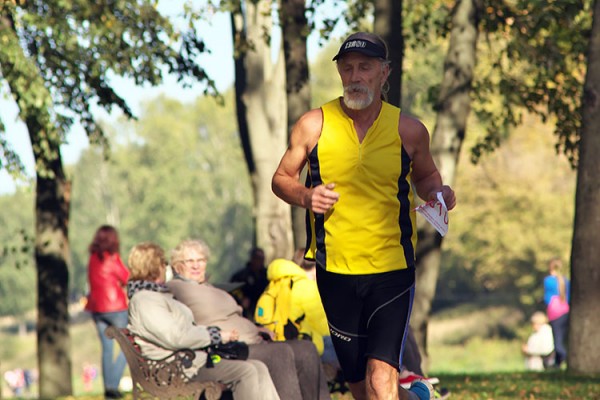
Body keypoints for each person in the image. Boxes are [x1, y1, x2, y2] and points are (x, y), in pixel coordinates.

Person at [271, 31, 456, 400]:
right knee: (359, 386)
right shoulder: (314, 124)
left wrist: (439, 193)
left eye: (365, 68)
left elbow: (427, 177)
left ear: (384, 73)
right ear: (340, 73)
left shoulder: (409, 129)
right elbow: (280, 180)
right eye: (348, 68)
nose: (355, 76)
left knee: (379, 381)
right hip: (335, 269)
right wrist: (307, 196)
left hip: (392, 270)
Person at [166, 239, 331, 400]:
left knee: (306, 349)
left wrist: (256, 328)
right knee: (279, 353)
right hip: (223, 350)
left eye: (200, 260)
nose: (196, 265)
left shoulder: (206, 287)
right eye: (189, 261)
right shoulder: (177, 288)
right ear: (177, 265)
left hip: (251, 340)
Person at [126, 241, 279, 400]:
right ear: (155, 266)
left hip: (188, 362)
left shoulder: (155, 296)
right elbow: (177, 336)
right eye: (163, 263)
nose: (166, 268)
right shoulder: (145, 300)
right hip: (175, 369)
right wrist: (216, 335)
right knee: (246, 371)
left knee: (258, 367)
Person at [85, 225, 129, 399]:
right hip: (115, 308)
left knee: (107, 350)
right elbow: (126, 277)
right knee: (128, 346)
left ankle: (108, 389)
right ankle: (113, 385)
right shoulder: (112, 258)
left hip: (97, 309)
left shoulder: (93, 259)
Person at [543, 257, 570, 367]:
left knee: (557, 341)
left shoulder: (548, 281)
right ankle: (557, 365)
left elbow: (547, 298)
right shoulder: (565, 280)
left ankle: (565, 357)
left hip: (555, 313)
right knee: (562, 339)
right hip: (565, 311)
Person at [230, 247, 269, 319]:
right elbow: (233, 289)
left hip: (262, 307)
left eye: (262, 258)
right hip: (246, 310)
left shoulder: (267, 275)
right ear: (252, 259)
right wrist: (241, 299)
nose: (260, 261)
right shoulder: (241, 276)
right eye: (258, 258)